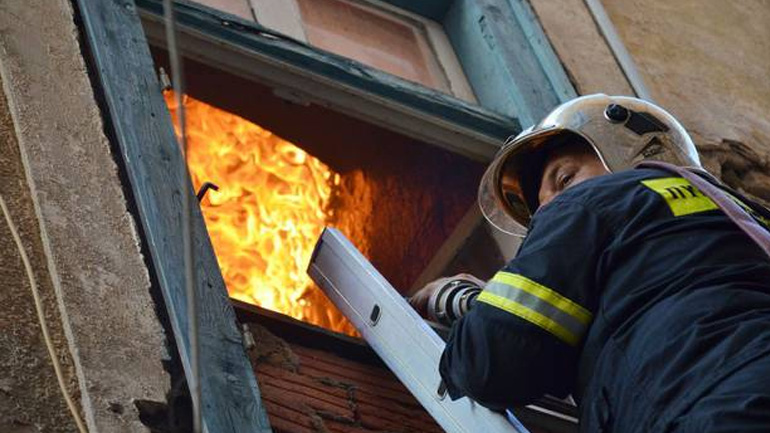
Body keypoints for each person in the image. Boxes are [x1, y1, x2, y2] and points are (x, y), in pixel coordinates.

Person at [409, 94, 770, 432]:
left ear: (631, 152)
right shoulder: (742, 220)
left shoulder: (599, 200)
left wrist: (454, 296)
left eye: (564, 179)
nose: (548, 210)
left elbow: (492, 360)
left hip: (721, 407)